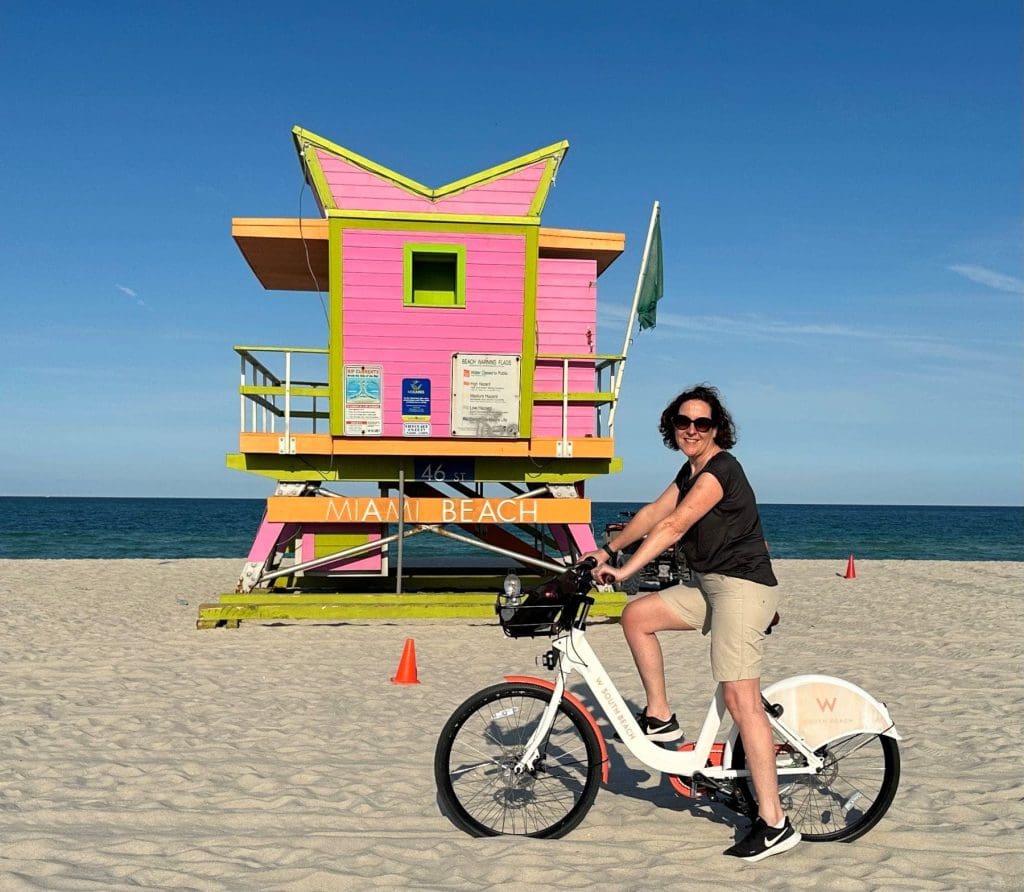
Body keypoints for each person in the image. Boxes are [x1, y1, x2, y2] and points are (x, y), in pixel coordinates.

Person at [583, 384, 800, 862]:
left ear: (716, 428)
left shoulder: (720, 471)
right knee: (637, 614)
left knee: (741, 699)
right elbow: (653, 513)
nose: (692, 430)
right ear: (673, 427)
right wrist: (607, 549)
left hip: (742, 589)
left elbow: (674, 527)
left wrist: (624, 570)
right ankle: (660, 717)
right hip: (709, 588)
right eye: (684, 422)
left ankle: (775, 823)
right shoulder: (690, 470)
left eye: (702, 423)